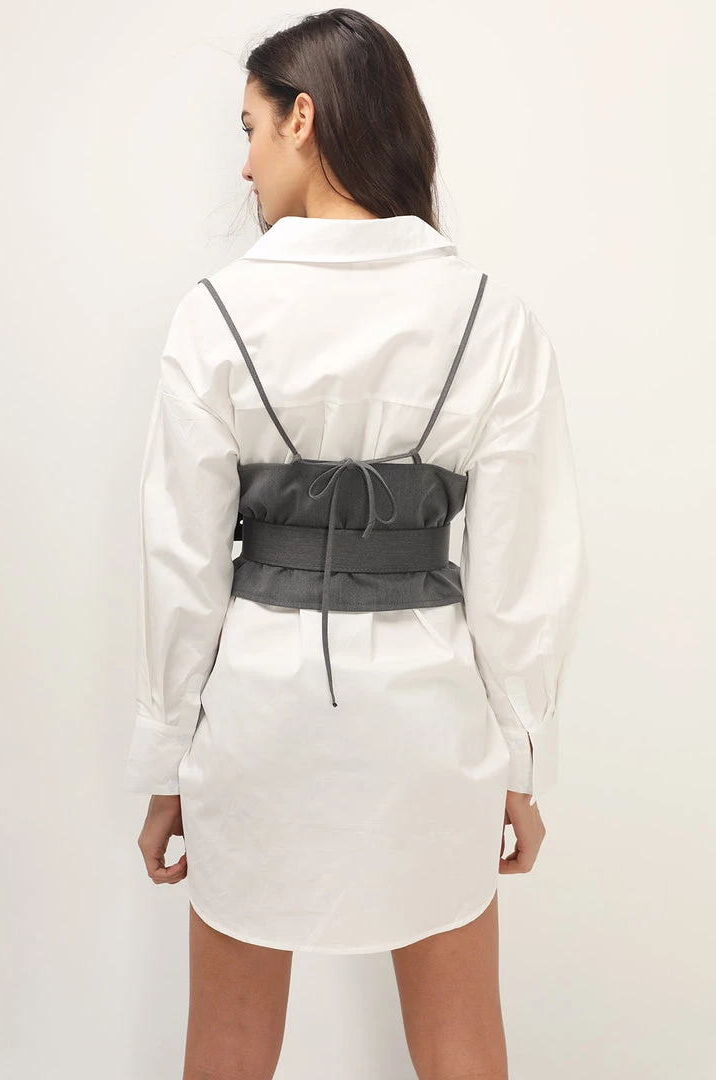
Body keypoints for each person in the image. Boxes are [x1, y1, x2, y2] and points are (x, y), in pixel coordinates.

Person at [123, 8, 588, 1079]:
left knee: (227, 1045)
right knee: (461, 1038)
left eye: (250, 129)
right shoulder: (492, 318)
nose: (243, 163)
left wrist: (167, 760)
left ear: (304, 118)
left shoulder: (217, 315)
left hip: (259, 721)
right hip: (432, 729)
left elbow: (179, 564)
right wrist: (520, 759)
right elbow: (522, 571)